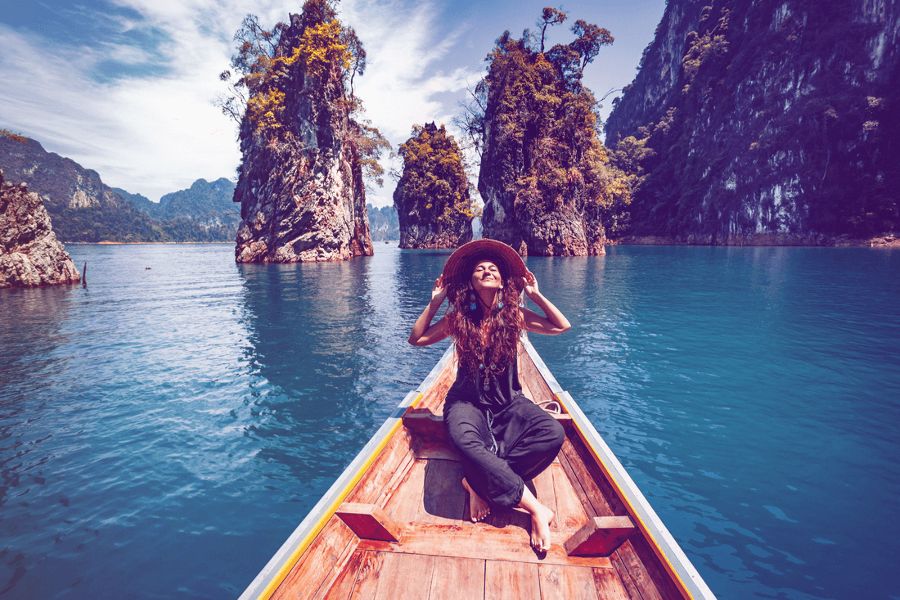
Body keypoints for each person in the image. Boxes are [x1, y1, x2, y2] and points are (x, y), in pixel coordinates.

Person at [407, 239, 572, 553]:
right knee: (466, 440)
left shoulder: (515, 316)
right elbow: (417, 339)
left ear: (501, 281)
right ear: (471, 281)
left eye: (492, 269)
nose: (486, 271)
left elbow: (561, 326)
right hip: (466, 402)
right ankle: (536, 508)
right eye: (479, 269)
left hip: (508, 402)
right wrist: (435, 302)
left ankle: (475, 480)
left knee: (552, 433)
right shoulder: (459, 318)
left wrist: (536, 295)